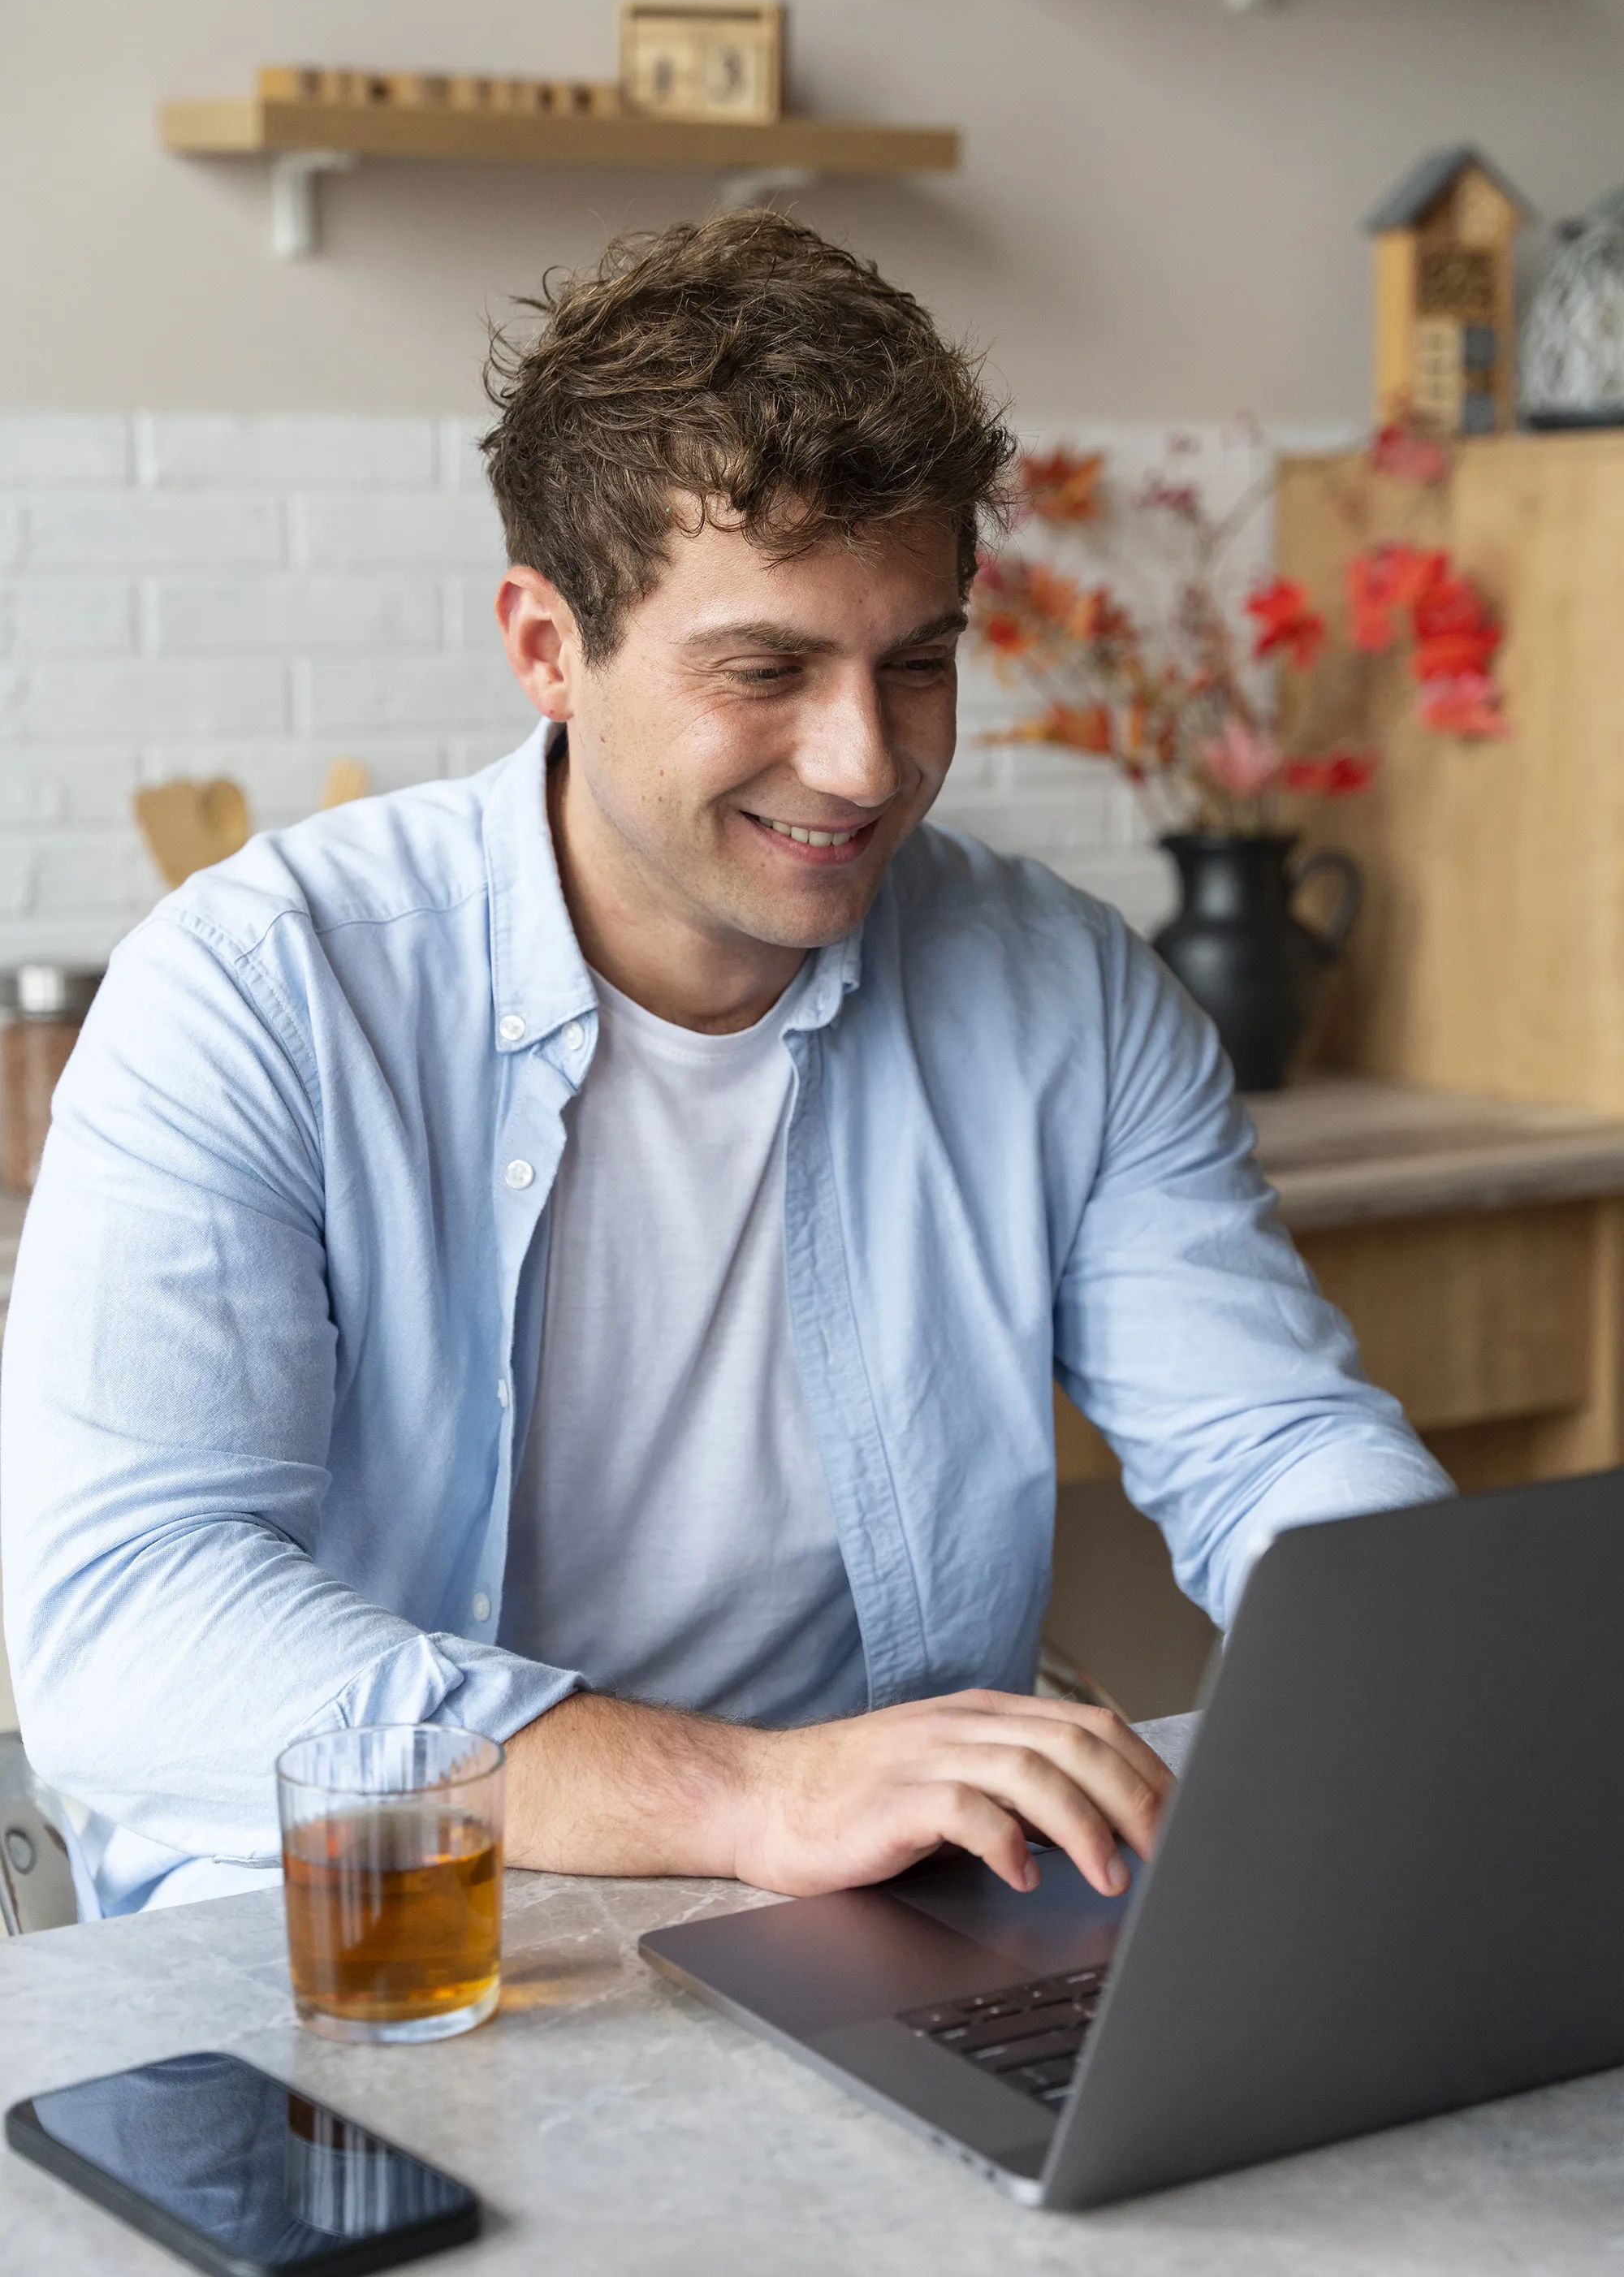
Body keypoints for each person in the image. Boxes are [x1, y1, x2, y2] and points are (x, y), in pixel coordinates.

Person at [0, 215, 1449, 1918]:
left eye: (917, 663)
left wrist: (1437, 1688)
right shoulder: (255, 991)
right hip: (362, 1933)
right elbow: (129, 1628)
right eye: (766, 668)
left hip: (869, 1912)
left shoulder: (1065, 991)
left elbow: (1275, 1451)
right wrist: (746, 1793)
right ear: (547, 648)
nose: (864, 762)